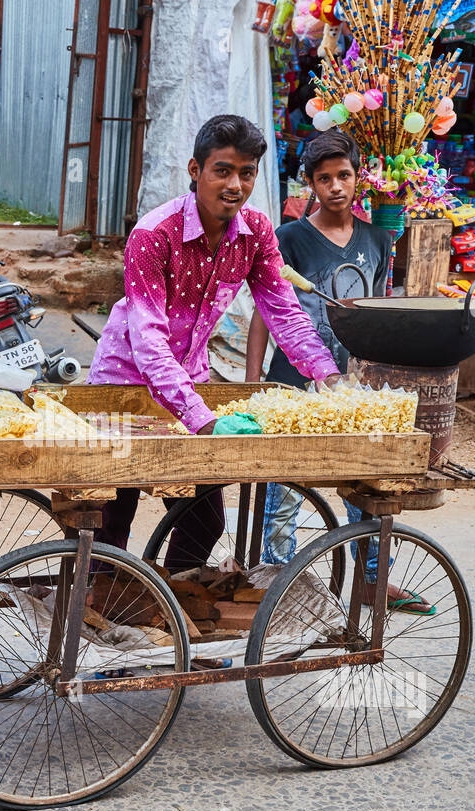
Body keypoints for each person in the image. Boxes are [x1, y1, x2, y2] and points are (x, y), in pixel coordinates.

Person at [87, 114, 339, 570]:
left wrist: (329, 374)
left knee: (204, 522)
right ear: (195, 170)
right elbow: (148, 342)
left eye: (246, 173)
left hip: (190, 387)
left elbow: (284, 312)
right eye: (222, 170)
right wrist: (203, 421)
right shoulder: (153, 235)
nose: (234, 185)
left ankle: (171, 605)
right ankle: (100, 608)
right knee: (109, 521)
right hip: (122, 389)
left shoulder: (257, 233)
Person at [246, 129, 433, 614]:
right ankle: (279, 580)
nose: (335, 186)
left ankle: (373, 580)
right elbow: (265, 313)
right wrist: (253, 382)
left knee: (365, 485)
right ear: (310, 183)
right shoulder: (289, 239)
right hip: (293, 383)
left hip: (354, 387)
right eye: (324, 178)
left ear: (358, 179)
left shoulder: (378, 239)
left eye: (343, 175)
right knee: (284, 489)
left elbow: (380, 310)